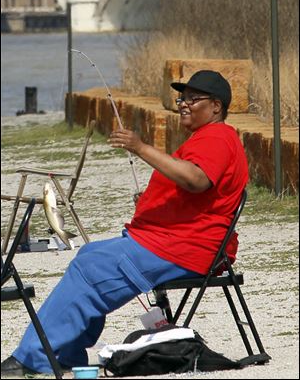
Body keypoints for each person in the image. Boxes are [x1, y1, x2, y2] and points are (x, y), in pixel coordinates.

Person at [1, 70, 248, 376]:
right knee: (88, 255)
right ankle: (64, 353)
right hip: (173, 241)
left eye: (192, 99)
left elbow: (196, 180)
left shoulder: (217, 138)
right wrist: (154, 200)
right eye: (182, 98)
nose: (183, 104)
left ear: (216, 107)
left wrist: (140, 147)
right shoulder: (209, 138)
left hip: (183, 248)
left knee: (89, 271)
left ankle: (34, 358)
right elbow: (193, 191)